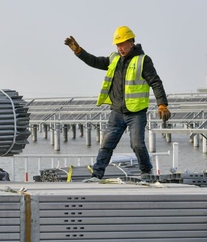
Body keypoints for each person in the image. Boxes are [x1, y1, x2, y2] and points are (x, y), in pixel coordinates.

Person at [64, 26, 171, 181]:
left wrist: (162, 104)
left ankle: (146, 172)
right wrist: (78, 51)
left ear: (131, 42)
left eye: (122, 44)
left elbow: (155, 82)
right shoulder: (114, 59)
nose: (120, 48)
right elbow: (94, 61)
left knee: (137, 145)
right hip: (117, 112)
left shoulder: (143, 60)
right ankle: (97, 175)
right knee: (106, 144)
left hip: (136, 112)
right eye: (117, 45)